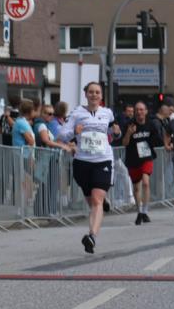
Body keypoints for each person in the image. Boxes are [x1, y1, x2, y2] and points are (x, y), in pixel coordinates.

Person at [56, 82, 121, 254]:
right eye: (91, 92)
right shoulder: (77, 113)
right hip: (83, 161)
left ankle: (92, 236)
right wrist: (74, 132)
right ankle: (100, 206)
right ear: (86, 94)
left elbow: (113, 133)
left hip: (103, 160)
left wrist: (116, 132)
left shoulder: (107, 113)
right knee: (92, 202)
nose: (94, 95)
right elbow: (61, 135)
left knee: (97, 200)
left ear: (101, 96)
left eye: (97, 92)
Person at [123, 101, 168, 225]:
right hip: (133, 159)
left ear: (146, 111)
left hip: (146, 157)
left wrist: (165, 142)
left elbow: (157, 139)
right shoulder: (129, 124)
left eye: (141, 110)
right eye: (137, 110)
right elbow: (124, 143)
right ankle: (139, 212)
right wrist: (129, 133)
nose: (139, 112)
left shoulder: (151, 124)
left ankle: (145, 210)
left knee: (146, 183)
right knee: (137, 187)